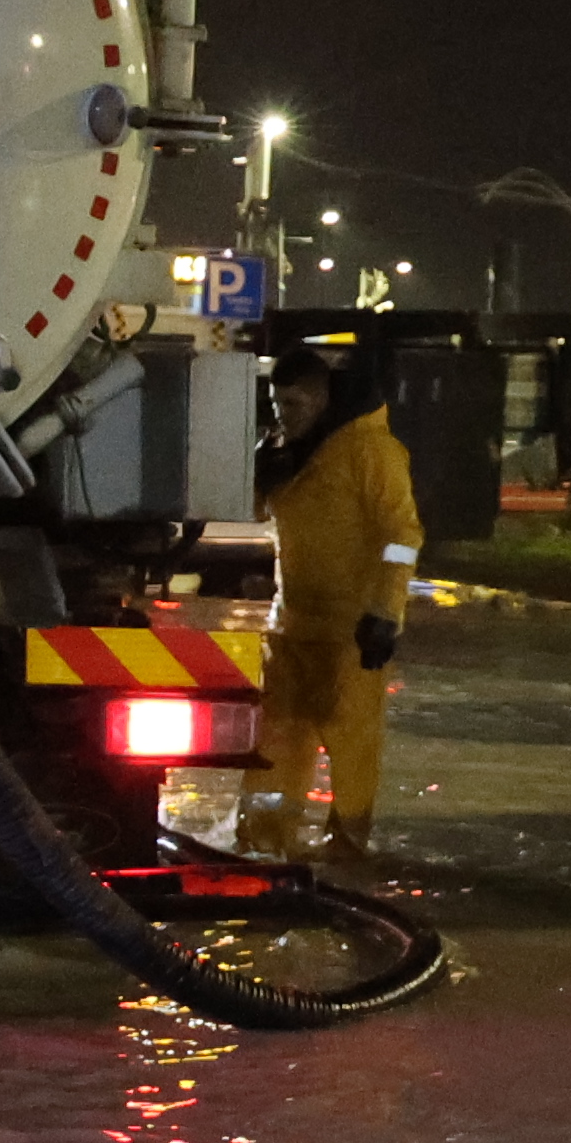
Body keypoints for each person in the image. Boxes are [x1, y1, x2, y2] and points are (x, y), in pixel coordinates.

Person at [249, 344, 416, 858]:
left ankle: (347, 841)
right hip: (292, 626)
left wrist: (384, 612)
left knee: (351, 745)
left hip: (350, 632)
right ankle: (264, 837)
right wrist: (258, 472)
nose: (284, 417)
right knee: (276, 741)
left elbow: (401, 535)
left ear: (321, 400)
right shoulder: (291, 452)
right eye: (277, 406)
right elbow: (259, 512)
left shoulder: (371, 451)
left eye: (293, 405)